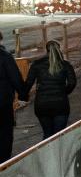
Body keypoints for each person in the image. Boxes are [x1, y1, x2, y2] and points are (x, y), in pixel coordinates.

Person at [21, 41, 76, 139]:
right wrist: (64, 92)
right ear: (59, 49)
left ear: (46, 50)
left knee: (47, 134)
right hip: (60, 105)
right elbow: (72, 83)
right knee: (59, 136)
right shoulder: (65, 64)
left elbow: (28, 83)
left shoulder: (36, 64)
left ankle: (47, 153)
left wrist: (24, 96)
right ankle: (58, 154)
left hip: (42, 104)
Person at [0, 32, 25, 161]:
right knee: (5, 133)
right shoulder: (5, 56)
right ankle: (4, 163)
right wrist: (23, 94)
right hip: (3, 102)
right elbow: (15, 77)